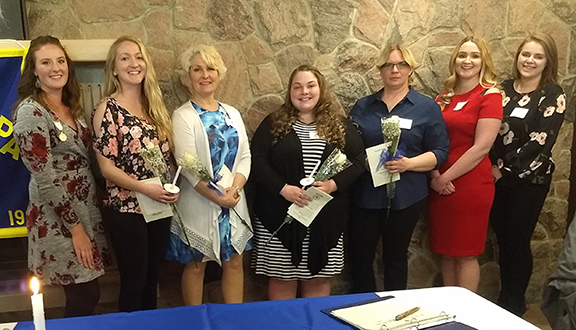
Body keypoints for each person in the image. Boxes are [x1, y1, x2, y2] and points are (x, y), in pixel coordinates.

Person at [12, 35, 109, 317]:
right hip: (59, 219)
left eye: (60, 61)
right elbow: (44, 176)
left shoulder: (72, 109)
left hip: (86, 211)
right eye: (46, 62)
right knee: (85, 294)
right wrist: (76, 230)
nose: (56, 68)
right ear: (34, 70)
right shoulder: (31, 112)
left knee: (87, 293)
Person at [250, 64, 365, 300]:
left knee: (318, 279)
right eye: (298, 86)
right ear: (290, 91)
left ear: (320, 89)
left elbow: (359, 161)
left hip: (324, 219)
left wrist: (334, 185)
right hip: (281, 216)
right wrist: (283, 189)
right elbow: (258, 160)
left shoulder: (339, 125)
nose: (305, 92)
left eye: (310, 85)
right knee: (283, 278)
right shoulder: (274, 123)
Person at [348, 44, 449, 293]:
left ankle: (393, 313)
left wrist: (409, 164)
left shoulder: (426, 107)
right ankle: (364, 307)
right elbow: (350, 148)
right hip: (366, 194)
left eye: (401, 64)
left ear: (410, 69)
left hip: (407, 195)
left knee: (395, 257)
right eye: (388, 65)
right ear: (380, 70)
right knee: (360, 257)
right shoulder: (363, 106)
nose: (394, 70)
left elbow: (440, 152)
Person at [92, 36, 177, 312]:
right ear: (114, 68)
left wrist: (169, 187)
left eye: (138, 57)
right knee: (134, 282)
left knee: (153, 280)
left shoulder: (155, 107)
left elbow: (165, 159)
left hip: (158, 207)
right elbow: (107, 168)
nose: (133, 63)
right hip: (127, 209)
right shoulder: (109, 109)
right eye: (125, 58)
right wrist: (144, 188)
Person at [167, 45, 252, 306]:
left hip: (233, 199)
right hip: (200, 203)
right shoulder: (183, 116)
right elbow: (189, 169)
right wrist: (219, 198)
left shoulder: (233, 113)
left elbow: (245, 157)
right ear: (187, 77)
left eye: (211, 68)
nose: (205, 75)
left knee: (235, 262)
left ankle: (233, 320)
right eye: (197, 69)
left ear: (219, 74)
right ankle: (195, 321)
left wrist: (234, 190)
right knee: (196, 264)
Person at [489, 33, 566, 316]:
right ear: (517, 57)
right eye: (526, 54)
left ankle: (513, 303)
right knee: (502, 239)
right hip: (495, 177)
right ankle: (505, 298)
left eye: (538, 56)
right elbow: (488, 129)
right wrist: (490, 166)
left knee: (517, 240)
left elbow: (541, 140)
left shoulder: (552, 93)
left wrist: (504, 170)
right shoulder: (503, 89)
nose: (530, 61)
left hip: (529, 181)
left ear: (547, 62)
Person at [427, 36, 502, 292]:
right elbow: (431, 139)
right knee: (447, 252)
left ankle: (466, 315)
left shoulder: (490, 95)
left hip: (469, 185)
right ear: (454, 60)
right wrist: (434, 175)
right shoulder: (443, 97)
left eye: (474, 55)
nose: (467, 61)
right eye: (462, 55)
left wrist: (444, 178)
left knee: (466, 253)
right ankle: (450, 310)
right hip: (440, 184)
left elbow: (481, 147)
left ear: (483, 62)